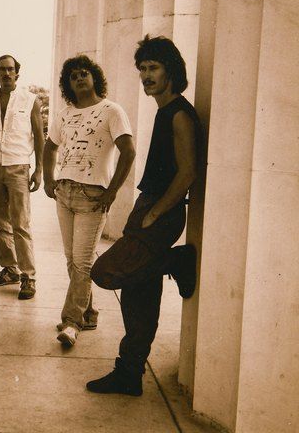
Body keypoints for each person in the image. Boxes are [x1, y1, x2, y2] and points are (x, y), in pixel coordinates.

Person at [87, 35, 200, 396]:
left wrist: (155, 213)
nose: (146, 75)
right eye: (142, 69)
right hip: (149, 206)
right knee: (140, 296)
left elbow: (188, 172)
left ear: (171, 70)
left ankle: (176, 260)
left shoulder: (179, 114)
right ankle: (129, 372)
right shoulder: (165, 110)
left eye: (154, 67)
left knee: (105, 272)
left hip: (159, 212)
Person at [43, 55, 135, 347]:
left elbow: (128, 151)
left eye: (84, 73)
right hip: (64, 192)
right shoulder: (65, 113)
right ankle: (89, 312)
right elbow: (49, 147)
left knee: (82, 262)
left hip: (93, 196)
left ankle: (72, 322)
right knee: (73, 260)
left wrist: (113, 190)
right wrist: (48, 179)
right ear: (68, 84)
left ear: (94, 77)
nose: (79, 78)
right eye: (73, 76)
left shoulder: (111, 110)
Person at [0, 55, 45, 300]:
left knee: (21, 223)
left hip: (18, 166)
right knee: (1, 223)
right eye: (2, 69)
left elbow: (39, 136)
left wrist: (39, 169)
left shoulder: (30, 100)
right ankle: (10, 269)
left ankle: (28, 276)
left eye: (10, 69)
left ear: (17, 73)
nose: (6, 73)